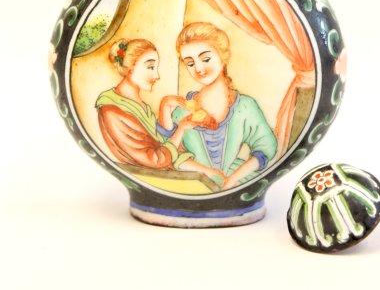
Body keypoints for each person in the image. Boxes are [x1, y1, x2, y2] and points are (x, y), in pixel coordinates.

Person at [160, 23, 278, 189]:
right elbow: (169, 155)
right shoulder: (182, 111)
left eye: (206, 59)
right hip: (197, 183)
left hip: (237, 181)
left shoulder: (245, 106)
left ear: (223, 56)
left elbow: (266, 147)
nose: (199, 68)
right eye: (190, 63)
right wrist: (207, 172)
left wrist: (233, 179)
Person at [95, 38, 225, 182]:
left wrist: (206, 171)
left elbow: (166, 149)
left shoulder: (140, 106)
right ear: (130, 67)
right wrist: (181, 128)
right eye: (150, 67)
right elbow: (157, 159)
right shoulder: (112, 111)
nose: (156, 76)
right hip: (149, 181)